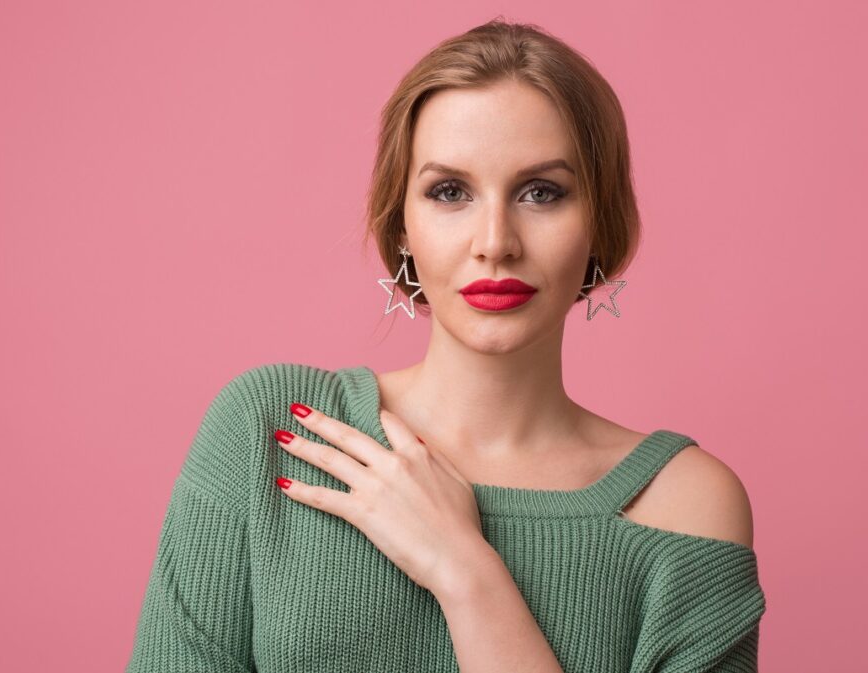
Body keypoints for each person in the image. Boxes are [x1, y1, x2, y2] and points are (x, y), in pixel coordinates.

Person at [125, 18, 767, 673]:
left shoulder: (683, 504)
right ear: (401, 225)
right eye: (450, 192)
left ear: (600, 221)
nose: (495, 240)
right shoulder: (271, 428)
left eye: (541, 192)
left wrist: (468, 576)